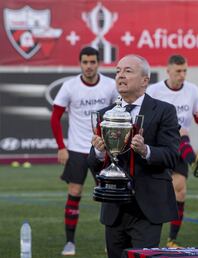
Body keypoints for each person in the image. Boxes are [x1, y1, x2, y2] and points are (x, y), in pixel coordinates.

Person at [88, 54, 180, 258]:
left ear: (145, 81)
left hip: (147, 208)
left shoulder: (164, 111)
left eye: (128, 71)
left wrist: (146, 150)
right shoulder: (105, 114)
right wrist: (99, 151)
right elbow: (93, 164)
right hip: (114, 206)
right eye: (118, 71)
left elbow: (173, 155)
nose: (120, 76)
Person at [50, 46, 118, 256]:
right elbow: (55, 117)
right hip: (77, 149)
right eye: (85, 62)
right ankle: (70, 242)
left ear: (98, 63)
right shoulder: (70, 86)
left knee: (109, 196)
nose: (89, 66)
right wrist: (62, 147)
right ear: (80, 63)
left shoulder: (109, 85)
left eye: (92, 62)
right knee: (75, 192)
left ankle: (112, 242)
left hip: (102, 149)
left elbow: (119, 113)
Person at [146, 54, 198, 248]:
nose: (182, 75)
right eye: (178, 71)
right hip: (159, 145)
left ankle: (172, 239)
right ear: (168, 70)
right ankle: (193, 159)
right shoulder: (154, 90)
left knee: (180, 192)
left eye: (185, 71)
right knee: (150, 194)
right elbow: (145, 117)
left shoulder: (192, 90)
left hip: (181, 144)